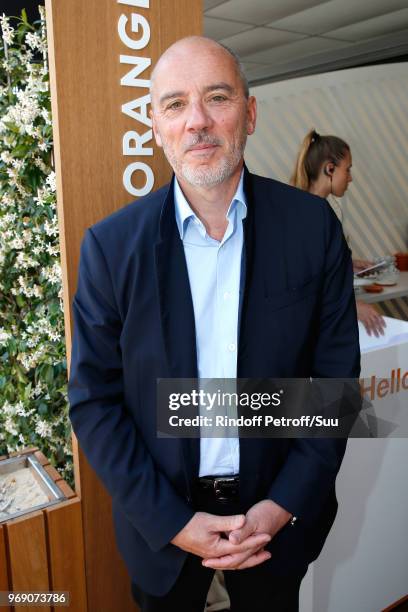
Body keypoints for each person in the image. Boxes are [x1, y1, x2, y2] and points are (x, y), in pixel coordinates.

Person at [68, 37, 360, 612]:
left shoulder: (311, 228)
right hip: (163, 529)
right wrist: (171, 521)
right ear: (156, 125)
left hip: (277, 523)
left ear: (249, 114)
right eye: (175, 104)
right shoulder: (110, 247)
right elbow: (94, 402)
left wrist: (283, 504)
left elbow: (333, 386)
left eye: (217, 98)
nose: (197, 121)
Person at [291, 129, 386, 338]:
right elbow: (305, 279)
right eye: (348, 169)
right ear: (330, 169)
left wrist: (347, 264)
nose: (350, 178)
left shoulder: (312, 209)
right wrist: (353, 306)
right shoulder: (310, 215)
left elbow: (318, 265)